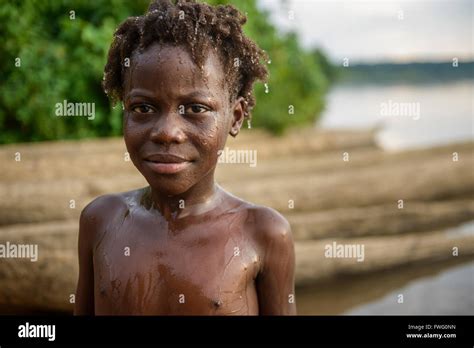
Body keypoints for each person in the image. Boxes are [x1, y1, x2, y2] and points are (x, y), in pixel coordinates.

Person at [74, 0, 296, 315]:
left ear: (234, 117)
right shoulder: (100, 219)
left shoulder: (264, 232)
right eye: (143, 108)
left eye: (195, 109)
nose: (167, 132)